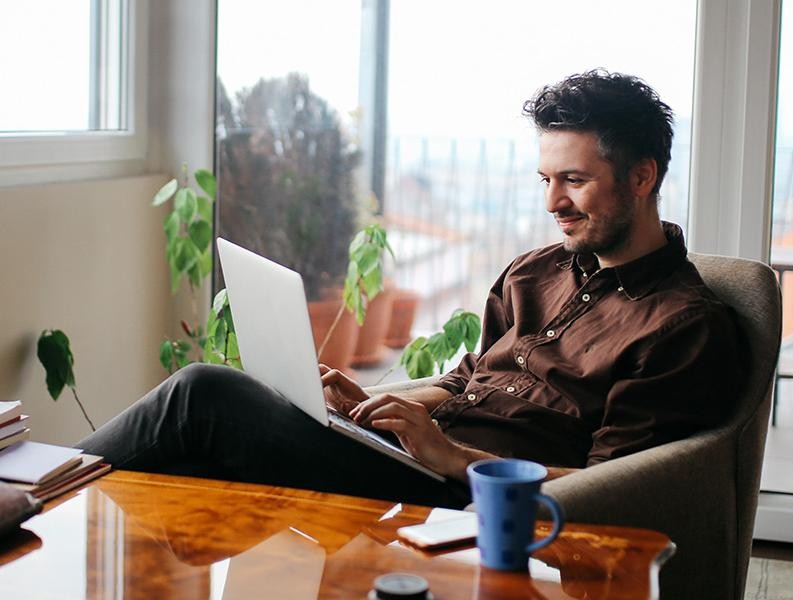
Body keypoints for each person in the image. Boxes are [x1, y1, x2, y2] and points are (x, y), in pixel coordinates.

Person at [78, 69, 743, 509]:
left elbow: (616, 489)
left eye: (573, 180)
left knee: (204, 395)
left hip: (467, 497)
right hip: (408, 457)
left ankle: (31, 490)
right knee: (195, 463)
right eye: (545, 180)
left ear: (642, 177)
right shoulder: (533, 273)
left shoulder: (683, 327)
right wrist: (367, 405)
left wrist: (455, 459)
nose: (553, 203)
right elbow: (468, 380)